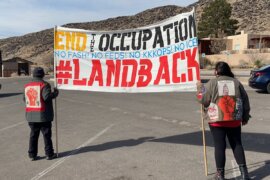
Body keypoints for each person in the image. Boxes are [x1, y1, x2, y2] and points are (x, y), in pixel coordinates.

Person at [197, 61, 251, 180]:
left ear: (216, 71)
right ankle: (245, 174)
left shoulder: (211, 83)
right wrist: (245, 116)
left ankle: (220, 175)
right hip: (234, 119)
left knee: (219, 146)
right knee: (237, 144)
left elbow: (204, 100)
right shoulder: (236, 82)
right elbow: (245, 100)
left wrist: (200, 88)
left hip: (216, 119)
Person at [24, 67, 59, 161]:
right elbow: (46, 97)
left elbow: (24, 99)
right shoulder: (44, 84)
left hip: (31, 114)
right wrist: (55, 94)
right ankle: (49, 154)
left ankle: (32, 154)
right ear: (43, 75)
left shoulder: (28, 85)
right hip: (43, 115)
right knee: (46, 135)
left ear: (33, 74)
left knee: (33, 135)